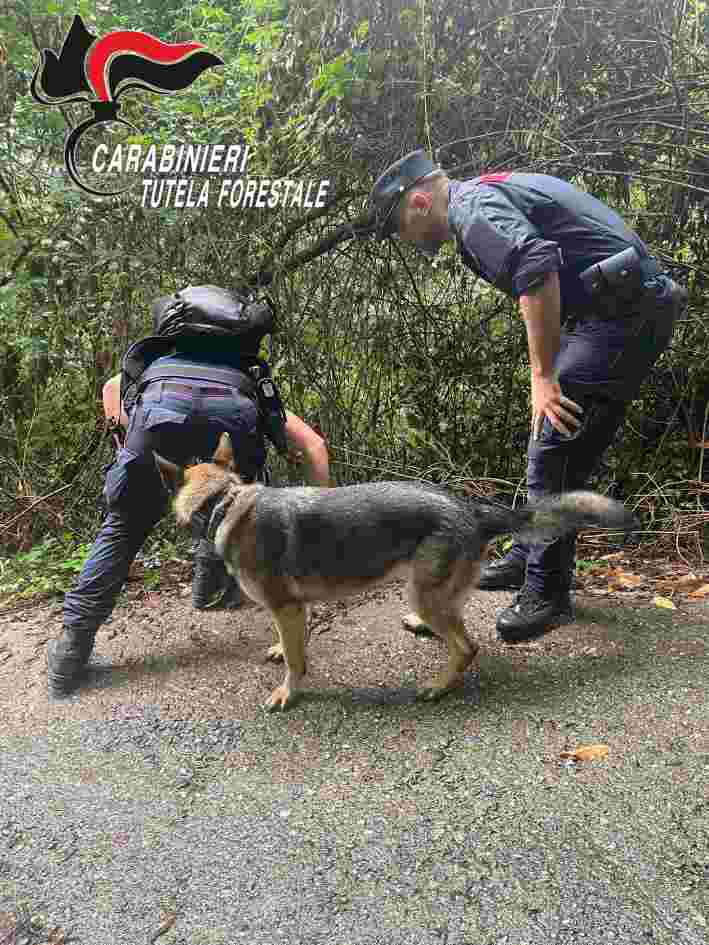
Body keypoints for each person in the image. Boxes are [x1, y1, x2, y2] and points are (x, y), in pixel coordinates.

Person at [368, 150, 688, 643]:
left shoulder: (471, 210)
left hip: (624, 314)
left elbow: (536, 267)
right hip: (615, 309)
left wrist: (543, 375)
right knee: (564, 440)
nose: (405, 241)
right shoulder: (478, 199)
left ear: (418, 201)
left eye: (399, 228)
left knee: (555, 439)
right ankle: (531, 555)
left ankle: (547, 591)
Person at [47, 287, 331, 696]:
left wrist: (129, 443)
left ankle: (70, 653)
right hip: (231, 440)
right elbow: (314, 448)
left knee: (124, 527)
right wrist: (323, 517)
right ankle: (211, 588)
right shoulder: (248, 379)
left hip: (153, 430)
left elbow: (112, 391)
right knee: (234, 507)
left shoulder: (155, 364)